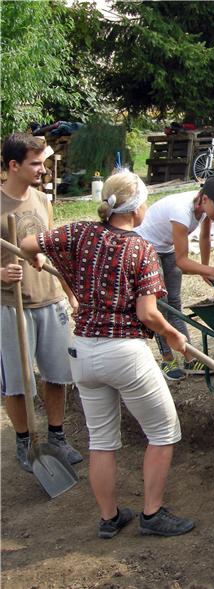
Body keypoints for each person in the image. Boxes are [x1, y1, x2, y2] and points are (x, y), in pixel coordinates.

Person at [20, 171, 195, 539]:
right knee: (163, 431)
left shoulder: (81, 232)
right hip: (124, 353)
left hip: (83, 350)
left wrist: (34, 258)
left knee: (101, 440)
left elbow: (26, 241)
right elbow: (147, 313)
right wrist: (173, 334)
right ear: (136, 208)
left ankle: (109, 517)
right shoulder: (142, 249)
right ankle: (152, 514)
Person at [1, 133, 82, 472]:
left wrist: (69, 291)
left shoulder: (42, 201)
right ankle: (25, 441)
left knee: (58, 375)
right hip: (11, 305)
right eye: (34, 163)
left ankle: (56, 436)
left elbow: (53, 251)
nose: (42, 169)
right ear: (13, 165)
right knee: (19, 381)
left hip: (49, 299)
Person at [134, 176, 214, 380]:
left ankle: (190, 357)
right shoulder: (182, 212)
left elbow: (205, 238)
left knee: (175, 303)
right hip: (146, 247)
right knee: (161, 306)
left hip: (165, 247)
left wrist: (205, 270)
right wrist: (206, 270)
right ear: (205, 199)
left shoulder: (203, 211)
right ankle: (167, 358)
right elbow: (182, 261)